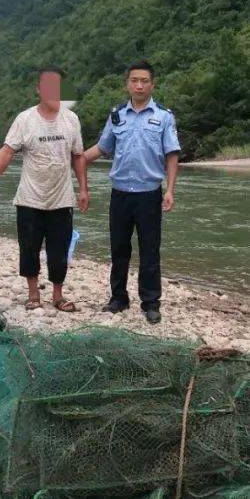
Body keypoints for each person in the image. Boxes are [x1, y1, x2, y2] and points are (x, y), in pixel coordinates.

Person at [0, 67, 88, 311]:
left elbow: (78, 156)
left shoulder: (71, 120)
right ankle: (33, 295)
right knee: (29, 247)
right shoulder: (25, 119)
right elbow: (7, 150)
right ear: (39, 89)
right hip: (30, 197)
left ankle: (58, 296)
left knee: (60, 248)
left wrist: (83, 189)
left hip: (61, 198)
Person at [81, 60, 181, 324]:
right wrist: (77, 159)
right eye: (134, 80)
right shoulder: (117, 116)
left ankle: (150, 302)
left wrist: (170, 190)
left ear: (152, 84)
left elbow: (172, 155)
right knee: (119, 248)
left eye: (144, 81)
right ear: (127, 83)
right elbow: (101, 148)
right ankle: (118, 298)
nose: (139, 85)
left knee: (150, 250)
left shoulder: (163, 116)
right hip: (120, 194)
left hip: (150, 194)